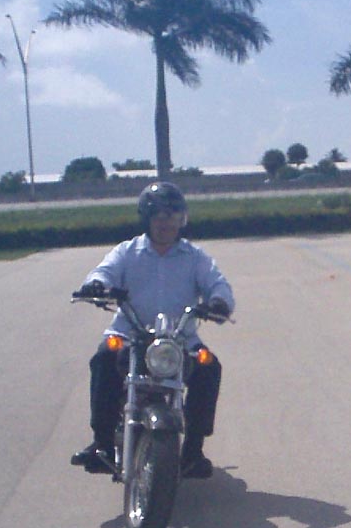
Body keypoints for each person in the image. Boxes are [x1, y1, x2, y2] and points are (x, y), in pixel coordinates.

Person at [71, 182, 234, 479]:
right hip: (129, 335)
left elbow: (217, 283)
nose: (165, 223)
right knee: (104, 358)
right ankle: (102, 443)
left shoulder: (195, 257)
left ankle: (193, 451)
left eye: (171, 216)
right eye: (158, 215)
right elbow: (105, 271)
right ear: (146, 219)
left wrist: (219, 301)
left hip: (179, 339)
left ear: (181, 219)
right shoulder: (127, 251)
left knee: (209, 367)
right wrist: (96, 284)